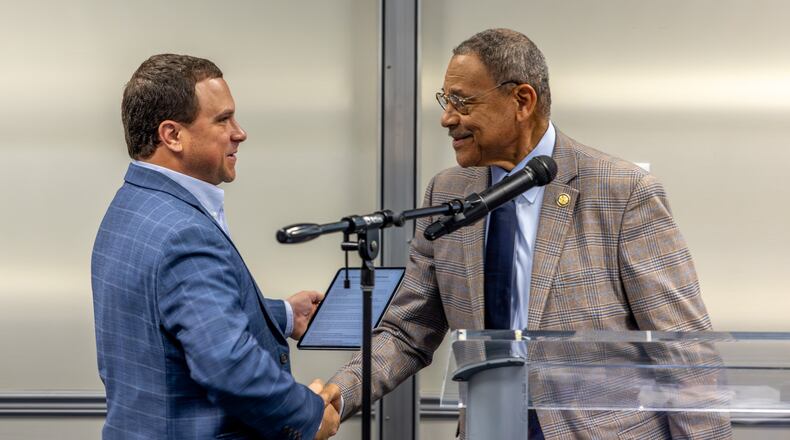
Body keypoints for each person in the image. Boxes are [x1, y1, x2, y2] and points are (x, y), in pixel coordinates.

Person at [326, 29, 731, 439]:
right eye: (445, 100)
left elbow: (683, 349)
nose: (448, 118)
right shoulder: (447, 193)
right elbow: (406, 331)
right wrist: (333, 397)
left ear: (522, 101)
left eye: (462, 101)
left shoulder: (621, 192)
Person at [92, 54, 339, 440]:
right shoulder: (183, 232)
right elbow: (228, 366)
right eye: (223, 120)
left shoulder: (131, 207)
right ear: (172, 135)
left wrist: (283, 315)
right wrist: (307, 415)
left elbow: (172, 318)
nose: (239, 133)